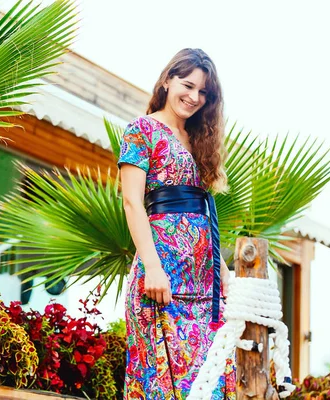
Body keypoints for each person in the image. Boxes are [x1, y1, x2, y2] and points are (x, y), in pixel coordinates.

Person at [118, 48, 236, 399]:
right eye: (188, 85)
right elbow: (131, 201)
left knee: (210, 384)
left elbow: (204, 213)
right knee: (162, 384)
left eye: (204, 93)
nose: (195, 97)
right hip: (162, 280)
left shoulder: (199, 139)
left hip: (203, 284)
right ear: (167, 80)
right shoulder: (142, 130)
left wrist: (222, 269)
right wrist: (153, 269)